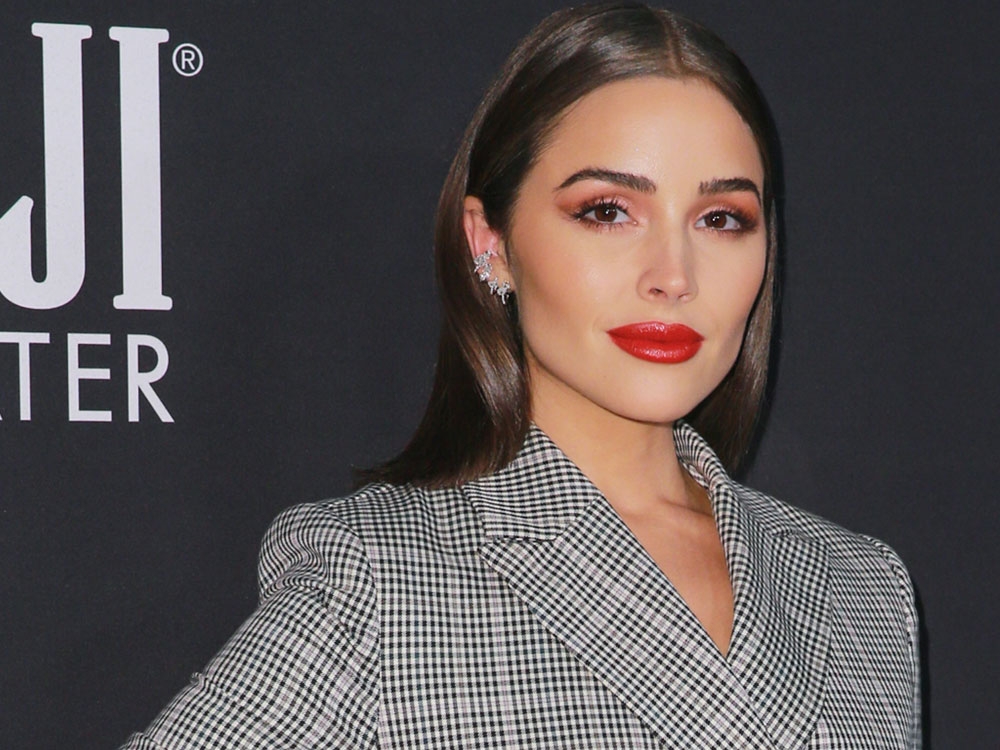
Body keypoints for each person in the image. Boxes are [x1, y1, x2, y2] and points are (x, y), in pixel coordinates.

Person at [122, 3, 921, 748]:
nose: (674, 276)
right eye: (608, 211)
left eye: (721, 219)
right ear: (491, 243)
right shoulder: (380, 578)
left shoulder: (860, 588)